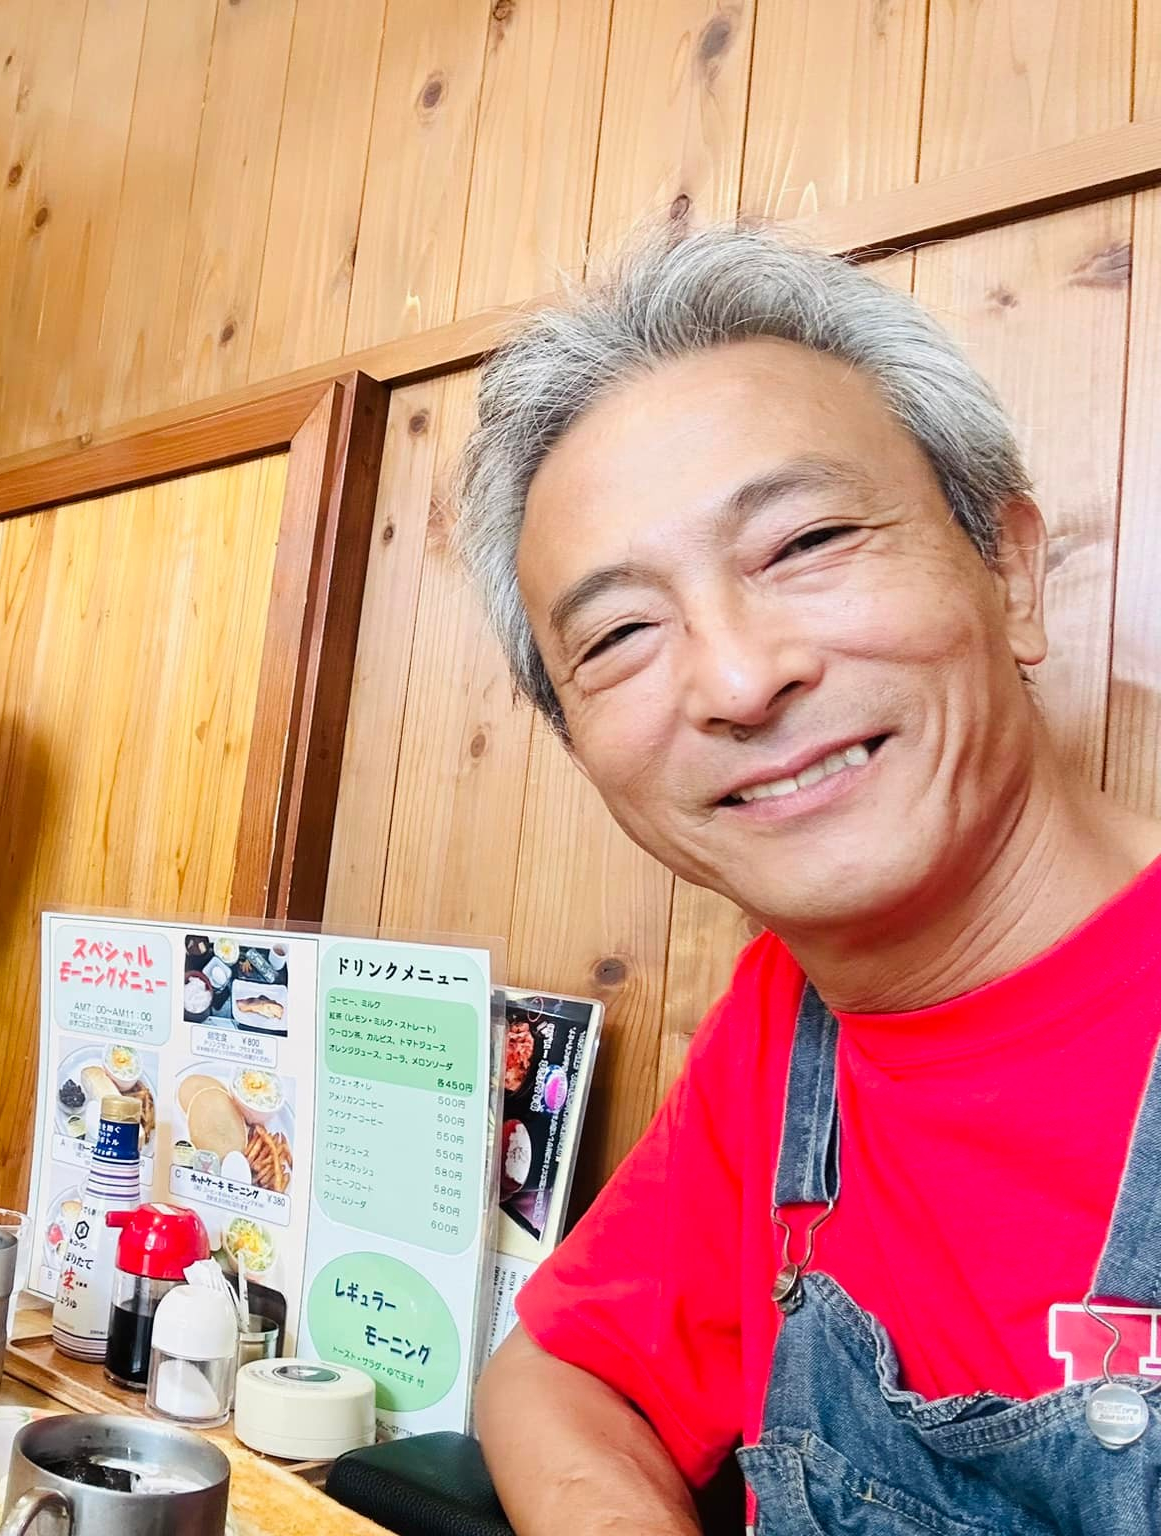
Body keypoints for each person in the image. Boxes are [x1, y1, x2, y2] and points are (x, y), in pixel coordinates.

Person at [459, 228, 1161, 1532]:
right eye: (619, 633)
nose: (736, 679)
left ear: (1009, 571)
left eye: (806, 541)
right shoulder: (787, 1036)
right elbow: (556, 1373)